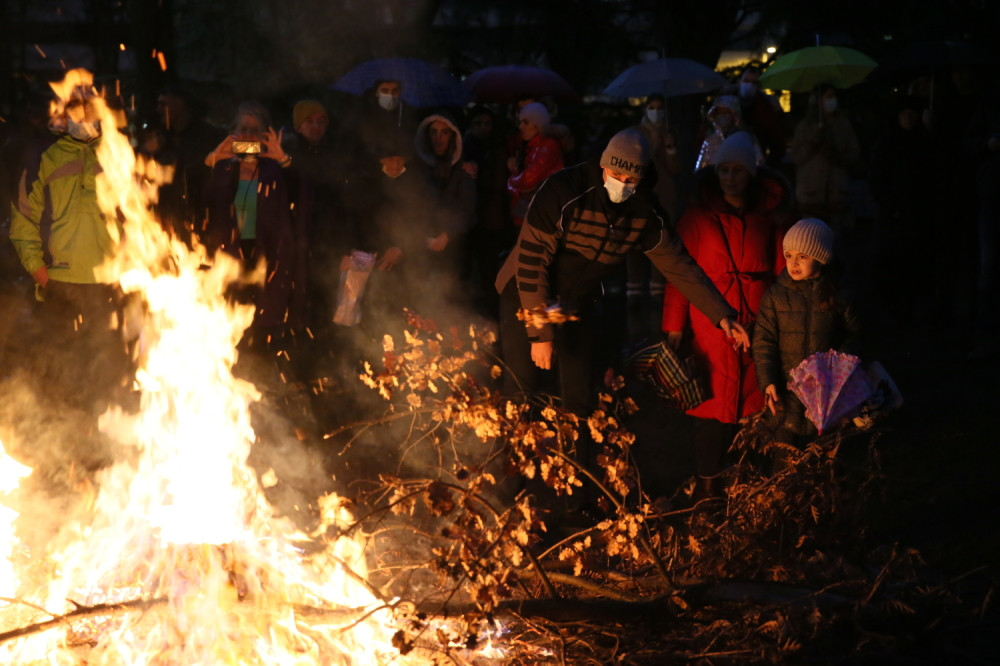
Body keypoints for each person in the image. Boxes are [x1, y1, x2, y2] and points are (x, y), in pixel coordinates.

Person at [496, 128, 750, 416]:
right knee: (521, 386)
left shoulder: (644, 213)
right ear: (604, 165)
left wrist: (722, 314)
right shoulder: (563, 190)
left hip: (576, 301)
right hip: (524, 293)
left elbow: (680, 266)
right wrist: (540, 334)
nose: (622, 184)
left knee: (579, 394)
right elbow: (532, 259)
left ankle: (576, 457)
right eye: (616, 175)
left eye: (631, 180)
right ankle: (510, 456)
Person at [662, 131, 792, 493]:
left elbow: (783, 273)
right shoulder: (696, 218)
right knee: (711, 411)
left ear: (751, 174)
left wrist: (784, 323)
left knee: (754, 410)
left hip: (758, 322)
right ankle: (707, 490)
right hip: (709, 328)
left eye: (737, 170)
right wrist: (674, 328)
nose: (730, 177)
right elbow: (679, 275)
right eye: (724, 170)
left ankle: (746, 489)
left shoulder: (770, 217)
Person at [8, 78, 129, 419]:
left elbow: (138, 219)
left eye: (91, 104)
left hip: (109, 284)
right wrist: (39, 270)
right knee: (60, 369)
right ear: (65, 112)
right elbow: (23, 219)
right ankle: (61, 444)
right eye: (78, 104)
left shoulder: (118, 156)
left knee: (107, 373)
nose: (85, 110)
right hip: (60, 282)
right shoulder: (43, 157)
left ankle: (103, 450)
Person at [752, 218, 864, 467]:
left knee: (824, 467)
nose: (793, 262)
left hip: (826, 401)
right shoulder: (776, 296)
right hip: (786, 399)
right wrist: (768, 380)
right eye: (789, 255)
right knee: (783, 465)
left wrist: (837, 362)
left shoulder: (838, 294)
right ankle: (781, 502)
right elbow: (764, 340)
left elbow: (859, 335)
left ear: (821, 257)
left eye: (802, 256)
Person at [202, 101, 311, 347]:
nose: (248, 136)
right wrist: (212, 160)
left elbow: (303, 193)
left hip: (269, 257)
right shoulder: (223, 167)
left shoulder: (275, 168)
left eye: (254, 130)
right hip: (227, 257)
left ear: (264, 134)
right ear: (233, 132)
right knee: (227, 320)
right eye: (243, 129)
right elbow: (195, 197)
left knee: (264, 321)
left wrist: (284, 160)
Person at [868, 95, 935, 338]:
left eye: (913, 115)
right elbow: (877, 180)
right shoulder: (887, 144)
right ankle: (894, 314)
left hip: (916, 216)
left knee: (914, 266)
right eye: (905, 114)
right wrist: (891, 205)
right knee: (891, 265)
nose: (909, 119)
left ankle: (910, 314)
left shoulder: (924, 144)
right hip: (893, 217)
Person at [626, 93, 683, 341]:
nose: (656, 112)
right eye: (652, 107)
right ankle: (634, 294)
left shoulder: (670, 133)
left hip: (664, 197)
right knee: (636, 245)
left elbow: (675, 168)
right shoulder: (637, 132)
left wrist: (669, 148)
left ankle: (657, 295)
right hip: (640, 198)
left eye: (660, 108)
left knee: (659, 244)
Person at [140, 85, 226, 243]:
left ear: (181, 103)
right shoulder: (161, 138)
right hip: (165, 220)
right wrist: (146, 152)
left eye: (164, 104)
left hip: (200, 221)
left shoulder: (208, 136)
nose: (159, 109)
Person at [411, 111, 477, 315]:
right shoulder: (419, 167)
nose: (438, 138)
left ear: (453, 135)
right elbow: (413, 203)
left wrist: (448, 234)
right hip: (423, 245)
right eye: (434, 132)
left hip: (453, 247)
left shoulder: (464, 168)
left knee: (451, 299)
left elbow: (468, 208)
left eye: (444, 132)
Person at [790, 83, 861, 239]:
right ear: (818, 100)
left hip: (837, 195)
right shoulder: (805, 126)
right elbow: (796, 157)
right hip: (811, 196)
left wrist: (837, 156)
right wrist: (812, 144)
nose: (832, 100)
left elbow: (854, 155)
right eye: (828, 97)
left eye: (833, 96)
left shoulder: (844, 125)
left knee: (835, 244)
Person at [463, 105, 514, 317]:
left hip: (491, 220)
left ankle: (491, 318)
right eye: (478, 124)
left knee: (489, 272)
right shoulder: (463, 148)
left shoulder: (498, 149)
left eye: (487, 124)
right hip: (466, 219)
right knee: (464, 272)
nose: (484, 128)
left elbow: (500, 183)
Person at [506, 102, 564, 228]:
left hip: (537, 214)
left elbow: (528, 179)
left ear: (538, 125)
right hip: (530, 213)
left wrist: (511, 182)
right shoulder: (533, 146)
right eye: (520, 122)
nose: (520, 127)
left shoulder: (547, 147)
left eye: (526, 122)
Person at [694, 94, 764, 172]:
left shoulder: (747, 139)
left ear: (734, 115)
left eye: (726, 113)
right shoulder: (710, 141)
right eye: (719, 113)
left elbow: (758, 165)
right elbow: (700, 169)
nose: (722, 116)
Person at [736, 66, 788, 168]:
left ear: (759, 86)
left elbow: (777, 142)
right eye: (746, 81)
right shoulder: (727, 103)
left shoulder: (766, 107)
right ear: (739, 82)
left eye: (754, 83)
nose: (749, 85)